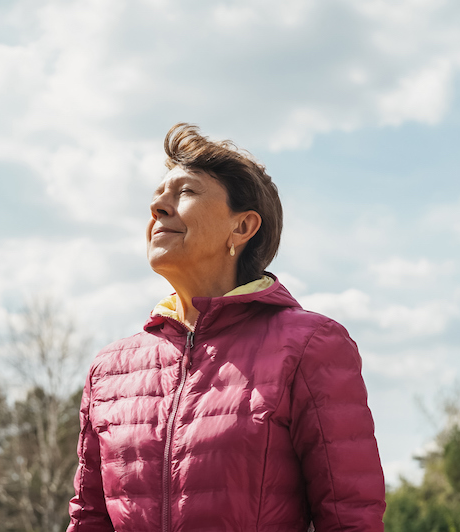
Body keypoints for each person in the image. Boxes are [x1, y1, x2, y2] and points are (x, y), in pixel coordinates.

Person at [66, 124, 385, 531]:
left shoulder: (310, 346)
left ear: (243, 227)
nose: (158, 208)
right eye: (157, 198)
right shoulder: (110, 369)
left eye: (185, 192)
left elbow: (350, 518)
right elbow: (90, 518)